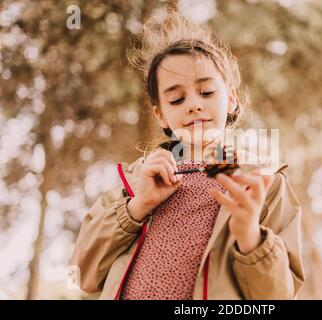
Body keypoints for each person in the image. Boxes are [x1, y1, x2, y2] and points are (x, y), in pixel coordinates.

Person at [70, 12, 305, 300]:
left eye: (206, 92)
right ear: (161, 115)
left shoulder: (263, 184)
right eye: (177, 99)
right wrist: (137, 207)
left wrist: (250, 237)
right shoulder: (132, 182)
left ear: (231, 98)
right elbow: (83, 274)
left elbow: (277, 297)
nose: (194, 104)